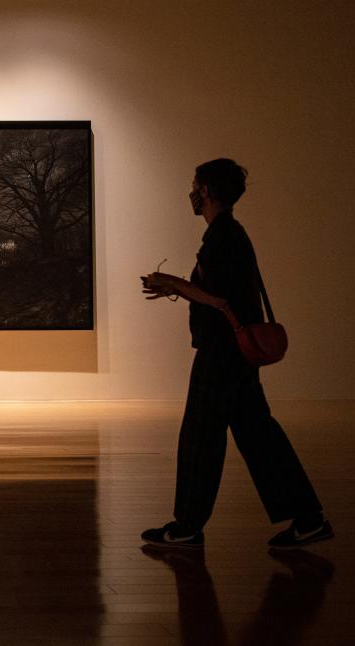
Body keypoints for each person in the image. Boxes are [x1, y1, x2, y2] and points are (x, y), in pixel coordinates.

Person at [139, 158, 331, 550]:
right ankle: (308, 519)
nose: (192, 193)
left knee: (200, 437)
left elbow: (219, 299)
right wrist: (177, 288)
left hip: (222, 352)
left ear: (207, 190)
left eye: (195, 185)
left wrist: (172, 282)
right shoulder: (230, 234)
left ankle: (188, 527)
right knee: (259, 434)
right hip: (235, 354)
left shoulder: (223, 236)